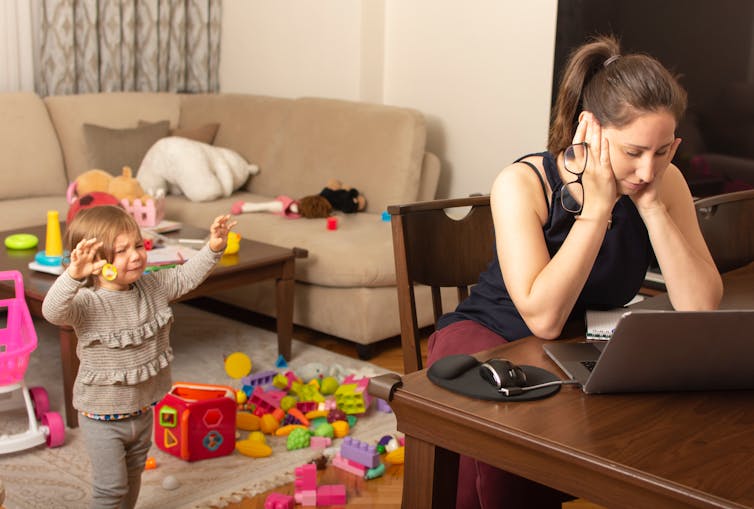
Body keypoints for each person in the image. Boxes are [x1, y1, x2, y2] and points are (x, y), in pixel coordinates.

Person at [427, 35, 723, 508]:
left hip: (572, 345)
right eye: (633, 152)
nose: (648, 170)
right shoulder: (522, 183)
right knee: (511, 456)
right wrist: (598, 207)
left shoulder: (663, 184)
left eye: (663, 151)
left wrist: (652, 210)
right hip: (491, 336)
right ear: (592, 128)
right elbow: (541, 318)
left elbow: (700, 305)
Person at [41, 205, 237, 509]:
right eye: (122, 251)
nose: (135, 255)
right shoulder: (86, 304)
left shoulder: (152, 286)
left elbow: (186, 276)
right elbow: (52, 311)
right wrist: (72, 276)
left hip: (143, 410)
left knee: (134, 476)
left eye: (138, 245)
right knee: (111, 490)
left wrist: (214, 248)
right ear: (97, 262)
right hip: (101, 418)